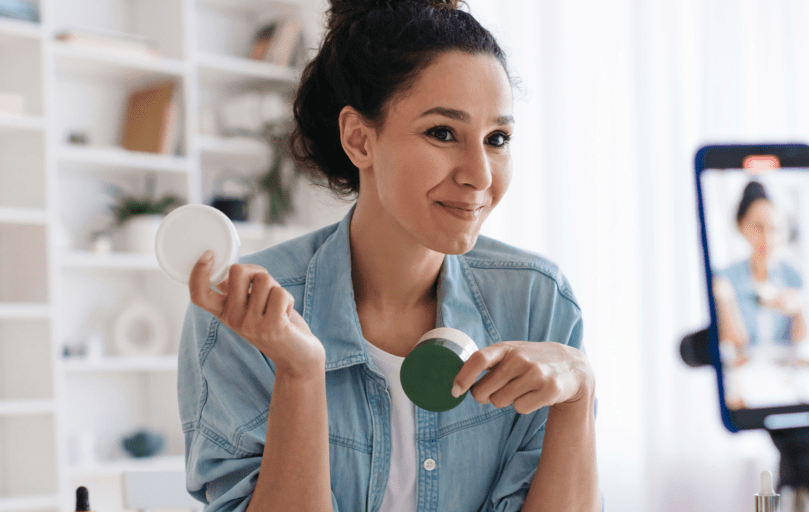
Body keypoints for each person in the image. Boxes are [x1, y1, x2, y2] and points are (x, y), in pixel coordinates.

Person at [176, 1, 600, 511]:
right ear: (359, 140)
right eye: (442, 133)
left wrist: (578, 393)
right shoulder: (244, 315)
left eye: (497, 139)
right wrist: (300, 374)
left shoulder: (538, 302)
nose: (480, 175)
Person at [714, 181, 806, 368]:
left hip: (785, 373)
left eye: (774, 229)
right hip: (746, 372)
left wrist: (799, 310)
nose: (767, 238)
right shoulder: (725, 279)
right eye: (758, 227)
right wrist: (726, 302)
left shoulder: (794, 277)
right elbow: (736, 345)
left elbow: (801, 343)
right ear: (742, 226)